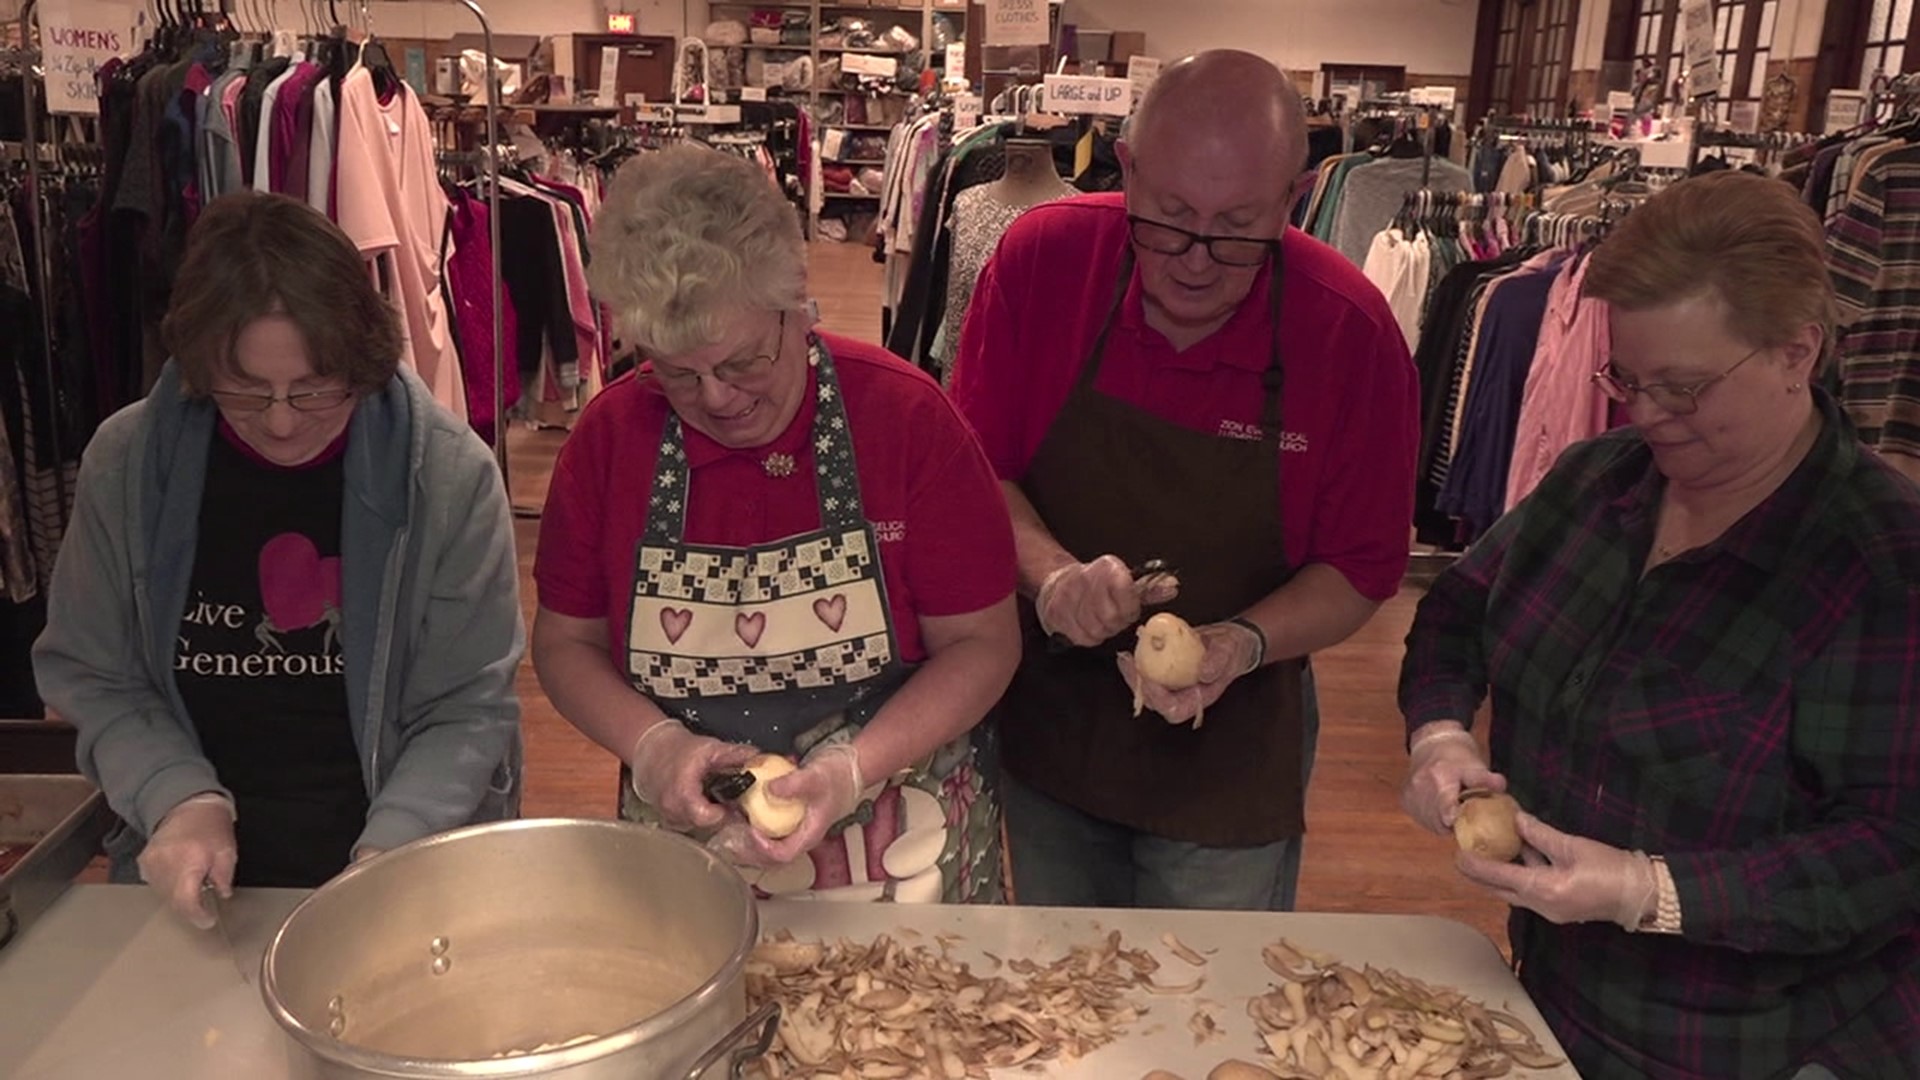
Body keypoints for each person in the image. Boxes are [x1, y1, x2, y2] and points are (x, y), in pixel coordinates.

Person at [1398, 171, 1920, 1079]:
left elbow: (1891, 851)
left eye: (1683, 387)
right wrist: (1439, 735)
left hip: (1757, 1043)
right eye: (1626, 378)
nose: (1645, 414)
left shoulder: (1882, 569)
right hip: (1554, 1003)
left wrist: (1654, 892)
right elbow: (1455, 611)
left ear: (1797, 353)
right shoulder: (1595, 483)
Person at [948, 50, 1420, 911]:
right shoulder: (1044, 262)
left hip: (1231, 755)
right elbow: (979, 472)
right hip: (1053, 725)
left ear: (1294, 197)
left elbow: (1360, 571)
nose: (1196, 260)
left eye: (1237, 227)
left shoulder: (1349, 332)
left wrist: (1239, 642)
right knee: (1063, 996)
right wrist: (1050, 577)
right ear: (1125, 169)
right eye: (1166, 218)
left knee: (1205, 997)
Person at [532, 144, 1020, 903]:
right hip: (692, 857)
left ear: (799, 306)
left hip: (904, 854)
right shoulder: (609, 442)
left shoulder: (907, 421)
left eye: (744, 363)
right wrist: (654, 745)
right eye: (678, 374)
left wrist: (853, 767)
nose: (718, 399)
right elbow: (566, 644)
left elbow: (985, 644)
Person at [32, 191, 524, 928]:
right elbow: (95, 673)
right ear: (200, 371)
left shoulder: (448, 476)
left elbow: (465, 706)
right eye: (247, 392)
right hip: (191, 874)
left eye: (316, 389)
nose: (285, 421)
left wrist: (392, 850)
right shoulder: (128, 465)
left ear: (362, 363)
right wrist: (178, 796)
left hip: (401, 857)